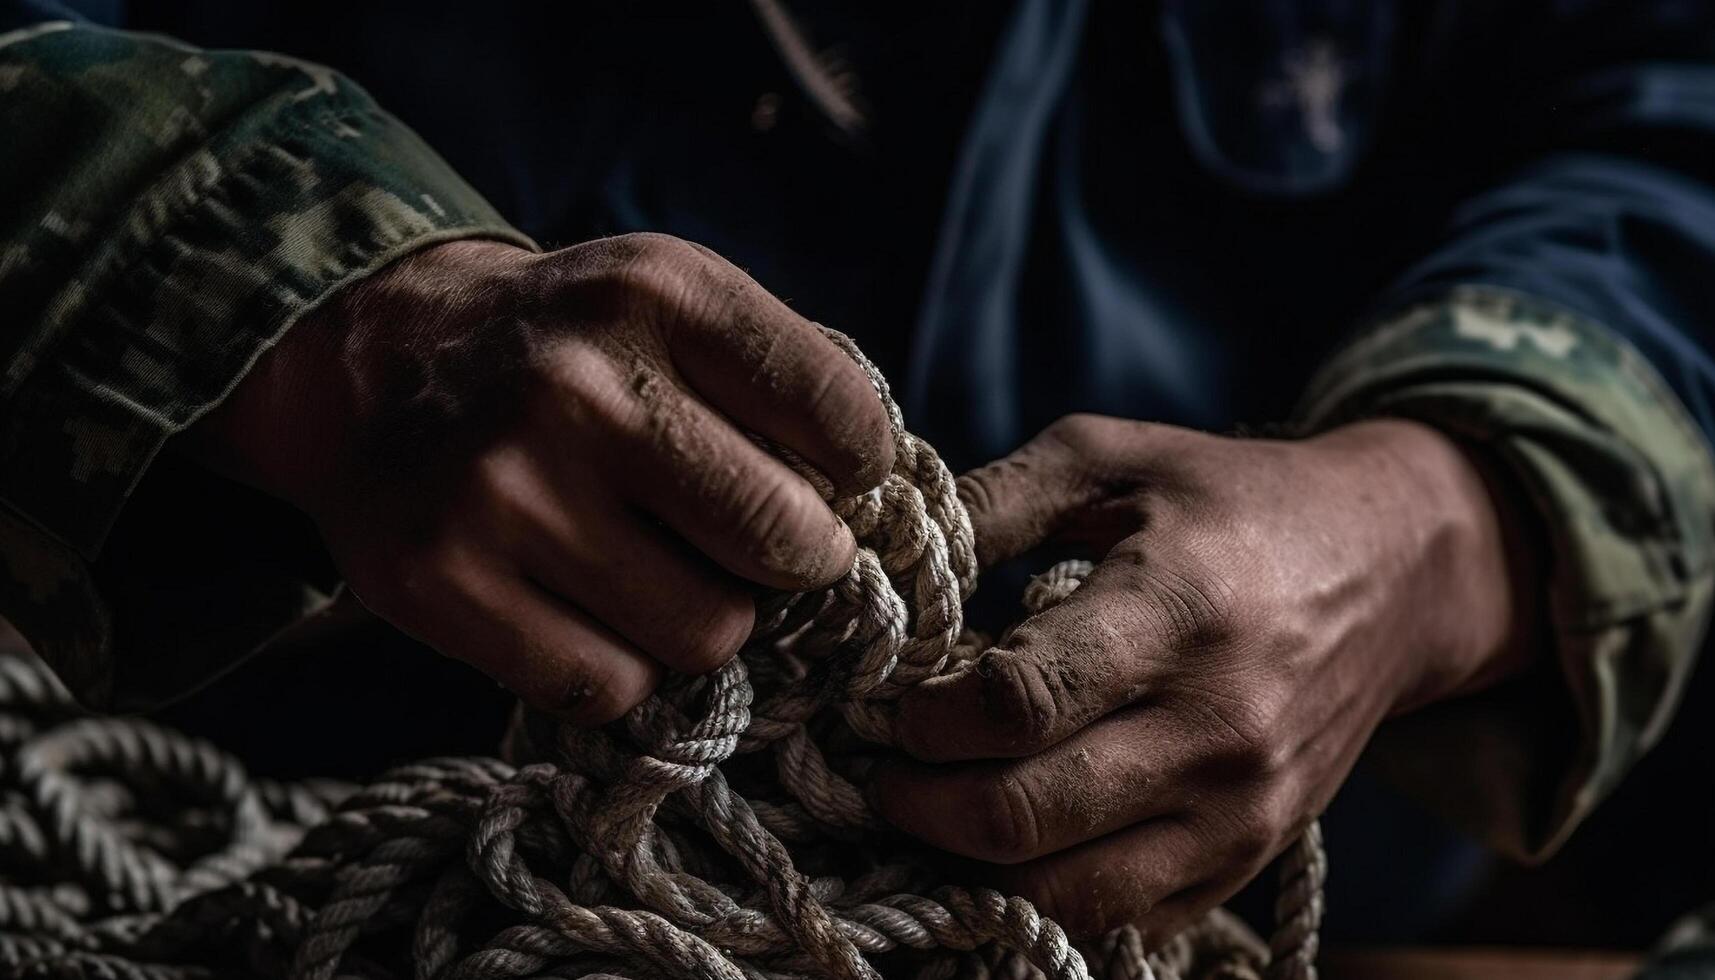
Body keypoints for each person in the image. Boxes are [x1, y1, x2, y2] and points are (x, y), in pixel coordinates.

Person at [3, 0, 1714, 946]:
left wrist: (1442, 516)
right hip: (328, 849)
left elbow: (1664, 105)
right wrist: (296, 299)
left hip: (1250, 902)